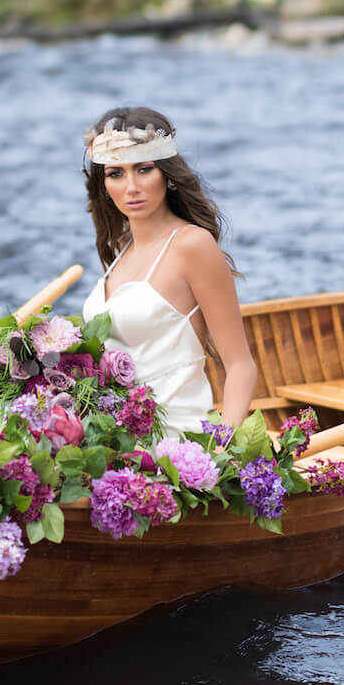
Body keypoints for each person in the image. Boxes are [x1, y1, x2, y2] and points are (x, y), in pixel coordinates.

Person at [80, 106, 258, 441]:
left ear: (167, 174)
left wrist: (223, 453)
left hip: (175, 440)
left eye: (144, 169)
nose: (131, 187)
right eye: (115, 173)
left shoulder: (192, 246)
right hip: (113, 437)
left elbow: (240, 366)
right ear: (103, 185)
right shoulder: (122, 248)